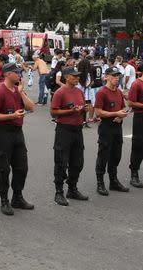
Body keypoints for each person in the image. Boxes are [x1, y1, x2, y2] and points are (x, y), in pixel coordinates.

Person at [0, 63, 36, 215]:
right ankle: (4, 200)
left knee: (21, 167)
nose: (19, 75)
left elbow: (31, 107)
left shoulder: (17, 89)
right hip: (2, 133)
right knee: (4, 169)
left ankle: (17, 197)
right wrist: (12, 116)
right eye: (17, 73)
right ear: (8, 74)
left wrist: (21, 93)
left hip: (17, 132)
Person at [49, 66, 89, 206]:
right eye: (74, 76)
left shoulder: (79, 92)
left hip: (77, 130)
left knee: (78, 162)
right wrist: (69, 111)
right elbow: (53, 112)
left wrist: (84, 109)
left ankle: (72, 188)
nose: (77, 78)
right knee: (61, 162)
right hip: (64, 130)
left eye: (78, 76)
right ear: (66, 77)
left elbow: (82, 107)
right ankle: (58, 192)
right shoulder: (60, 92)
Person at [93, 66, 129, 196]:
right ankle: (100, 182)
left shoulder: (119, 92)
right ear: (106, 76)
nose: (116, 78)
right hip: (106, 127)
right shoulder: (102, 92)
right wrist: (115, 113)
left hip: (117, 127)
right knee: (103, 155)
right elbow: (97, 112)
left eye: (118, 76)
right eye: (113, 76)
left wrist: (121, 115)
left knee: (116, 155)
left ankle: (113, 181)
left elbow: (123, 108)